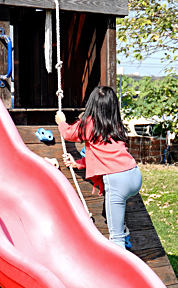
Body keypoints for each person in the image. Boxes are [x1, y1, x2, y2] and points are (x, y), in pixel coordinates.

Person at [55, 85, 141, 249]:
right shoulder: (115, 124)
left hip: (117, 181)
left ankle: (119, 273)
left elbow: (68, 133)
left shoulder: (89, 124)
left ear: (92, 105)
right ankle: (122, 224)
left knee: (116, 237)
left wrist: (61, 122)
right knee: (119, 210)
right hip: (134, 175)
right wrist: (79, 163)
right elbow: (104, 154)